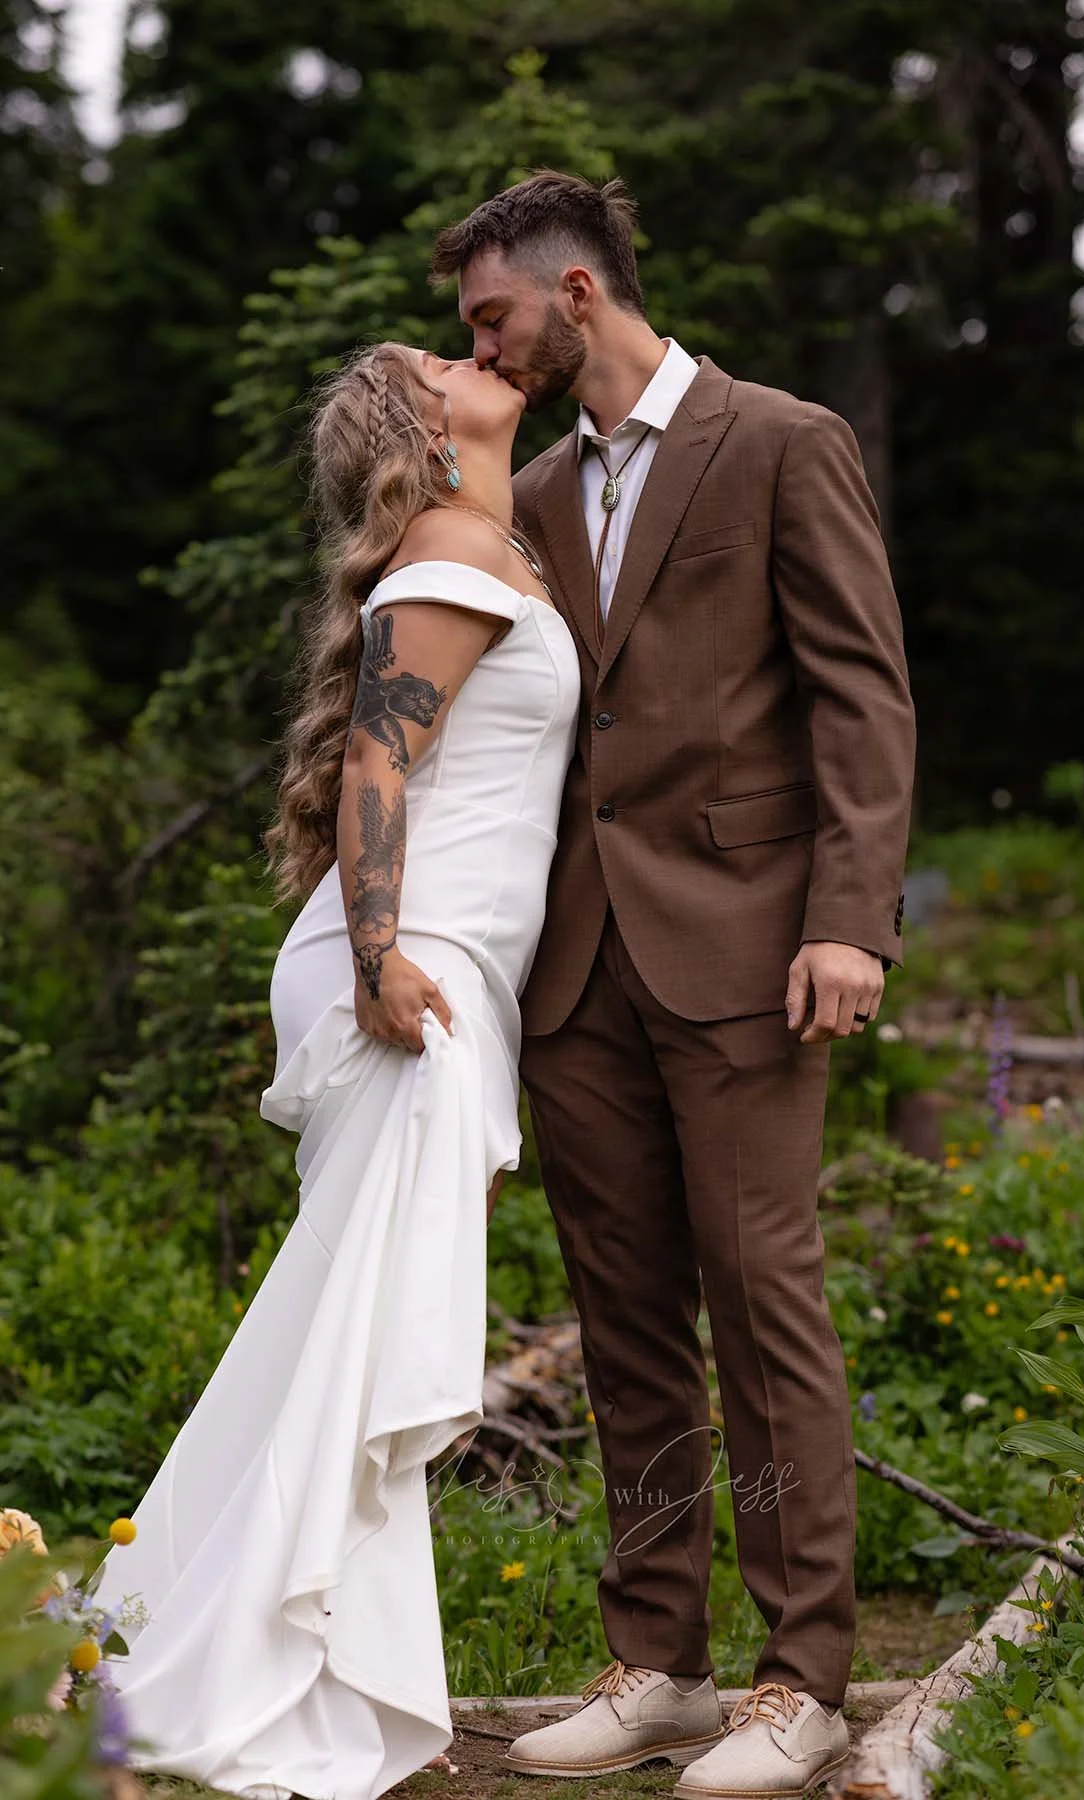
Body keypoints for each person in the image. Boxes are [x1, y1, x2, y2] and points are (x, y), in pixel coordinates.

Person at [431, 170, 916, 1798]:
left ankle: (805, 1676)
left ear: (575, 295)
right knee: (628, 1322)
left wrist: (851, 918)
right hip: (580, 968)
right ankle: (661, 1663)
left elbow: (862, 695)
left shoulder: (782, 442)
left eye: (491, 318)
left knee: (764, 1309)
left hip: (755, 950)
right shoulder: (543, 491)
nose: (480, 354)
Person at [91, 342, 580, 1799]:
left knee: (335, 1328)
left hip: (433, 966)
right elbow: (377, 767)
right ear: (420, 432)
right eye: (442, 359)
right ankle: (265, 1664)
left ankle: (198, 1629)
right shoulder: (450, 545)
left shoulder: (499, 541)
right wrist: (374, 965)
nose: (474, 352)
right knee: (356, 1334)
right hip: (404, 971)